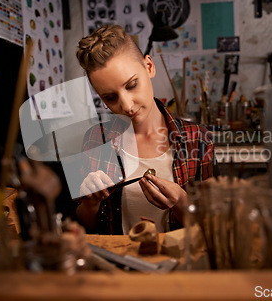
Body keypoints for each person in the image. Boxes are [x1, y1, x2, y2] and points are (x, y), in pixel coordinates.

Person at [75, 24, 214, 235]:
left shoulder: (198, 139)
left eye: (131, 85)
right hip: (119, 263)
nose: (127, 106)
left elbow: (211, 226)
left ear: (149, 66)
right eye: (110, 98)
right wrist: (90, 204)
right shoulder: (95, 139)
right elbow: (87, 228)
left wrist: (181, 202)